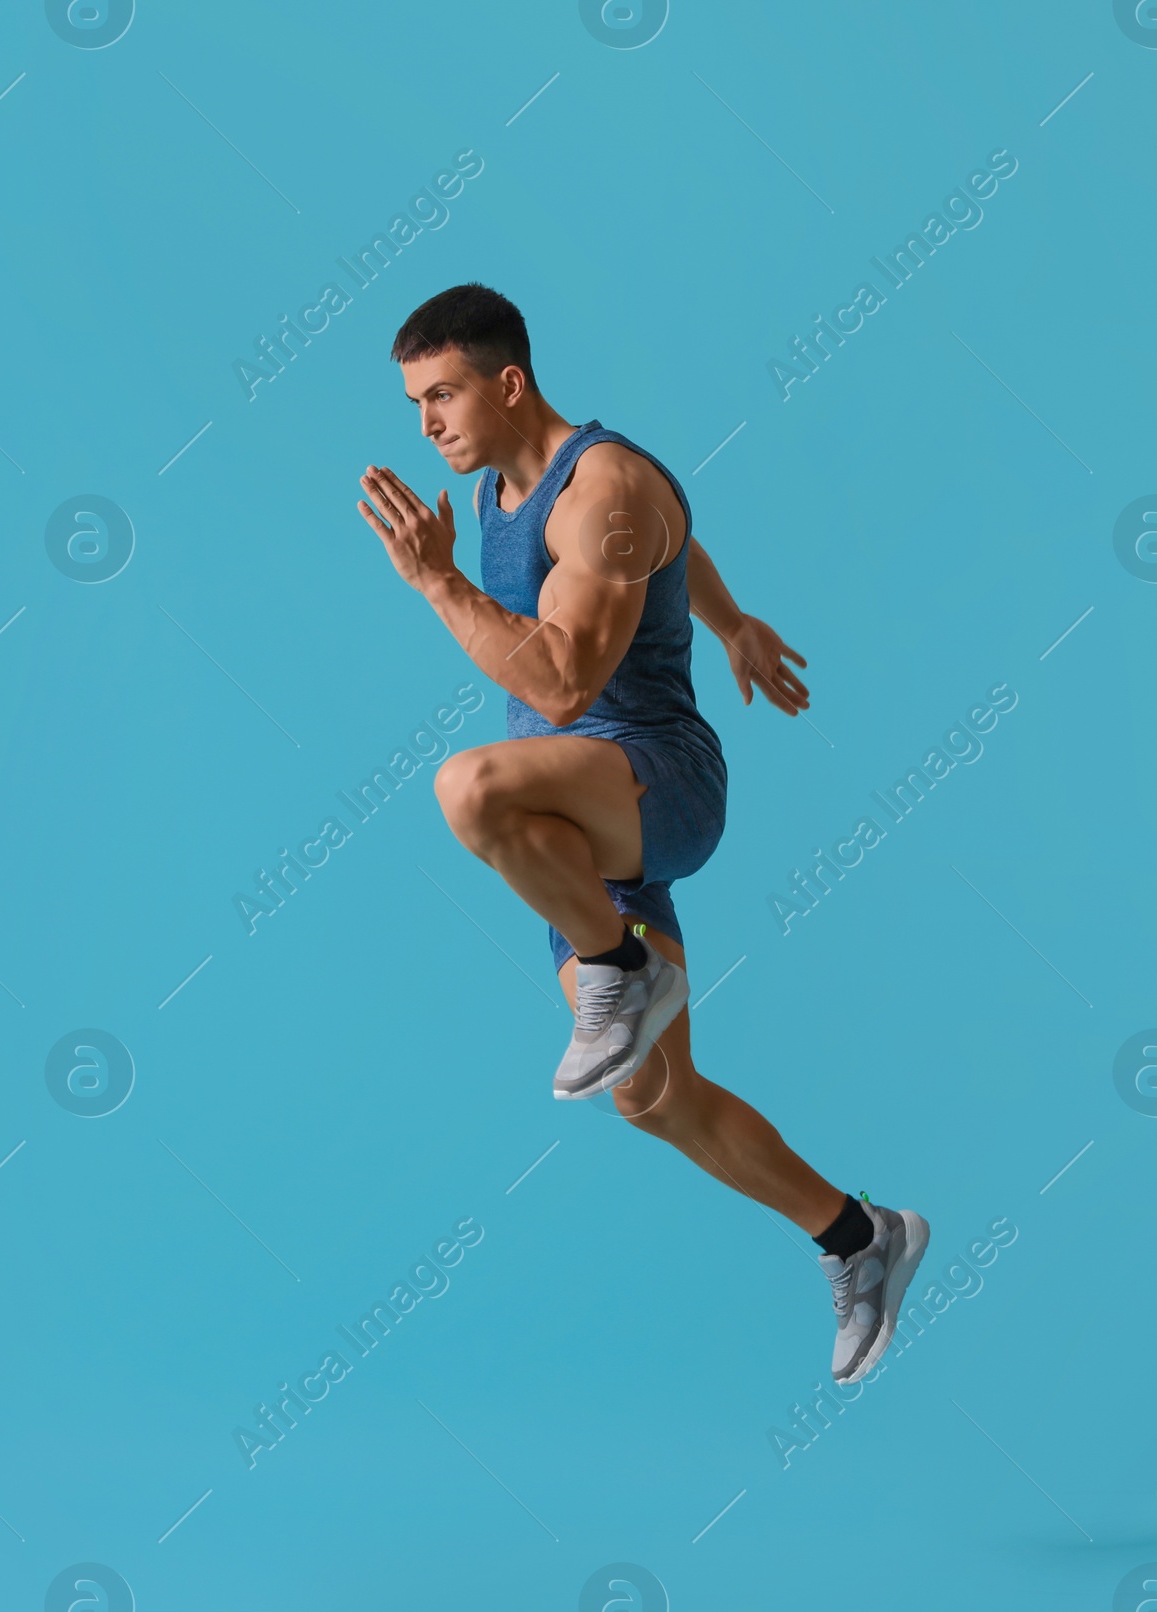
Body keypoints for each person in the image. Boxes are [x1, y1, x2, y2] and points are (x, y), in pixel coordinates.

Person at [355, 282, 927, 1384]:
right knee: (652, 1097)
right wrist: (730, 619)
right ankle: (862, 1238)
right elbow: (672, 543)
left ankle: (620, 966)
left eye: (442, 394)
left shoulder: (601, 481)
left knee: (470, 789)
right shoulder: (504, 484)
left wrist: (432, 581)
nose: (427, 424)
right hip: (573, 825)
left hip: (654, 783)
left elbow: (568, 680)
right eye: (415, 402)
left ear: (509, 381)